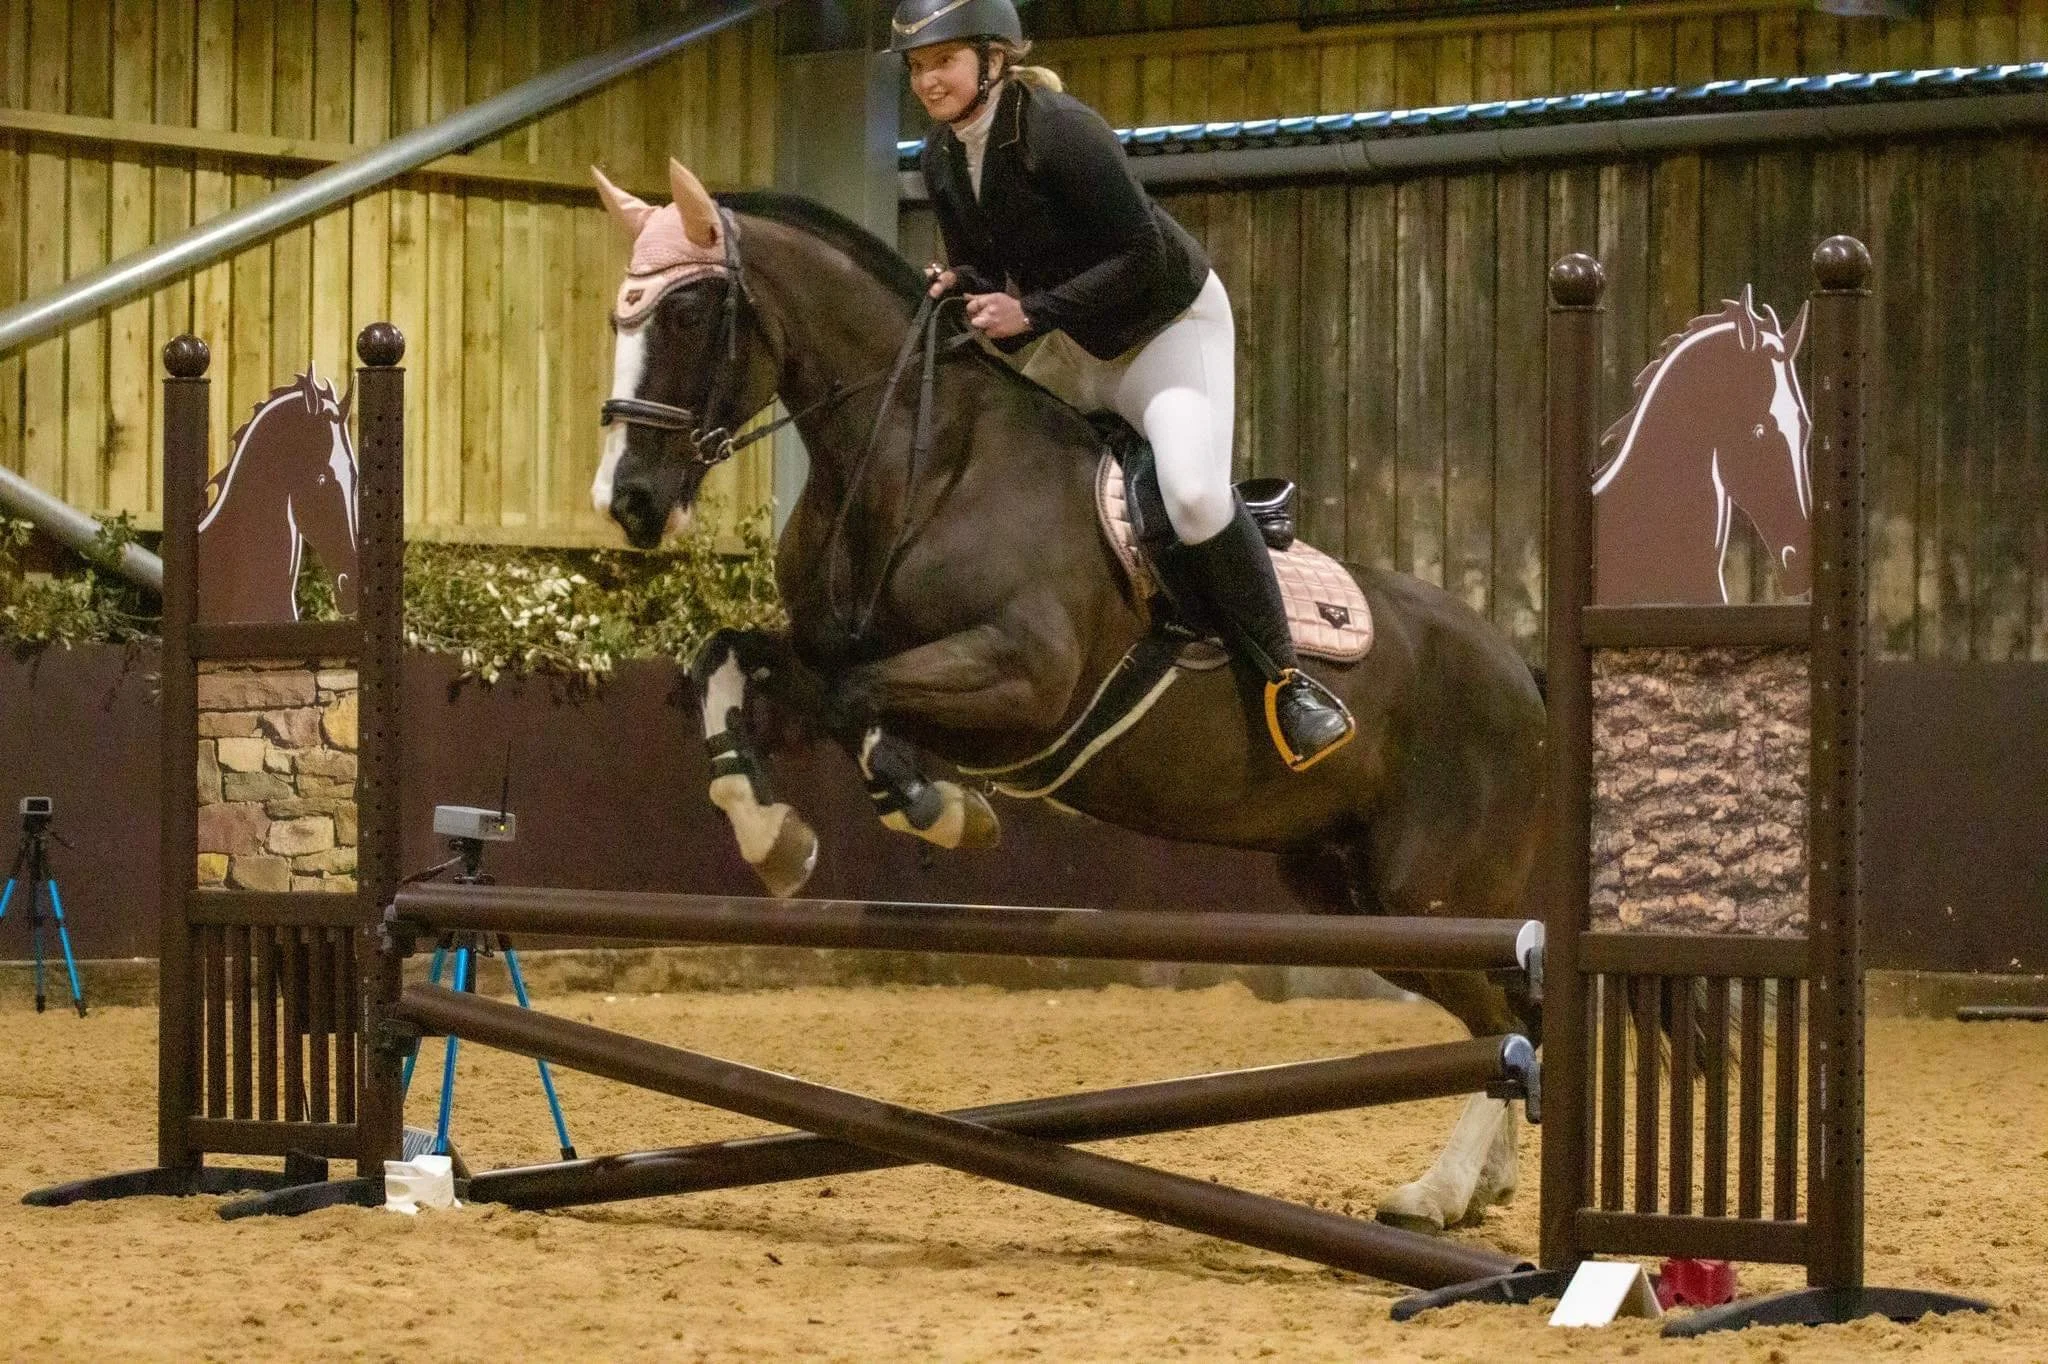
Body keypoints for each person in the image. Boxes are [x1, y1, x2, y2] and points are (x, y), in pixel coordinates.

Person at [892, 0, 1355, 772]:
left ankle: (1286, 682)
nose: (928, 80)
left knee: (1195, 497)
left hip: (1166, 332)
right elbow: (985, 263)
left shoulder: (1059, 129)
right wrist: (957, 283)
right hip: (1075, 344)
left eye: (942, 61)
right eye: (916, 68)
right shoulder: (941, 158)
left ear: (993, 60)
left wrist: (1031, 310)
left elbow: (1140, 252)